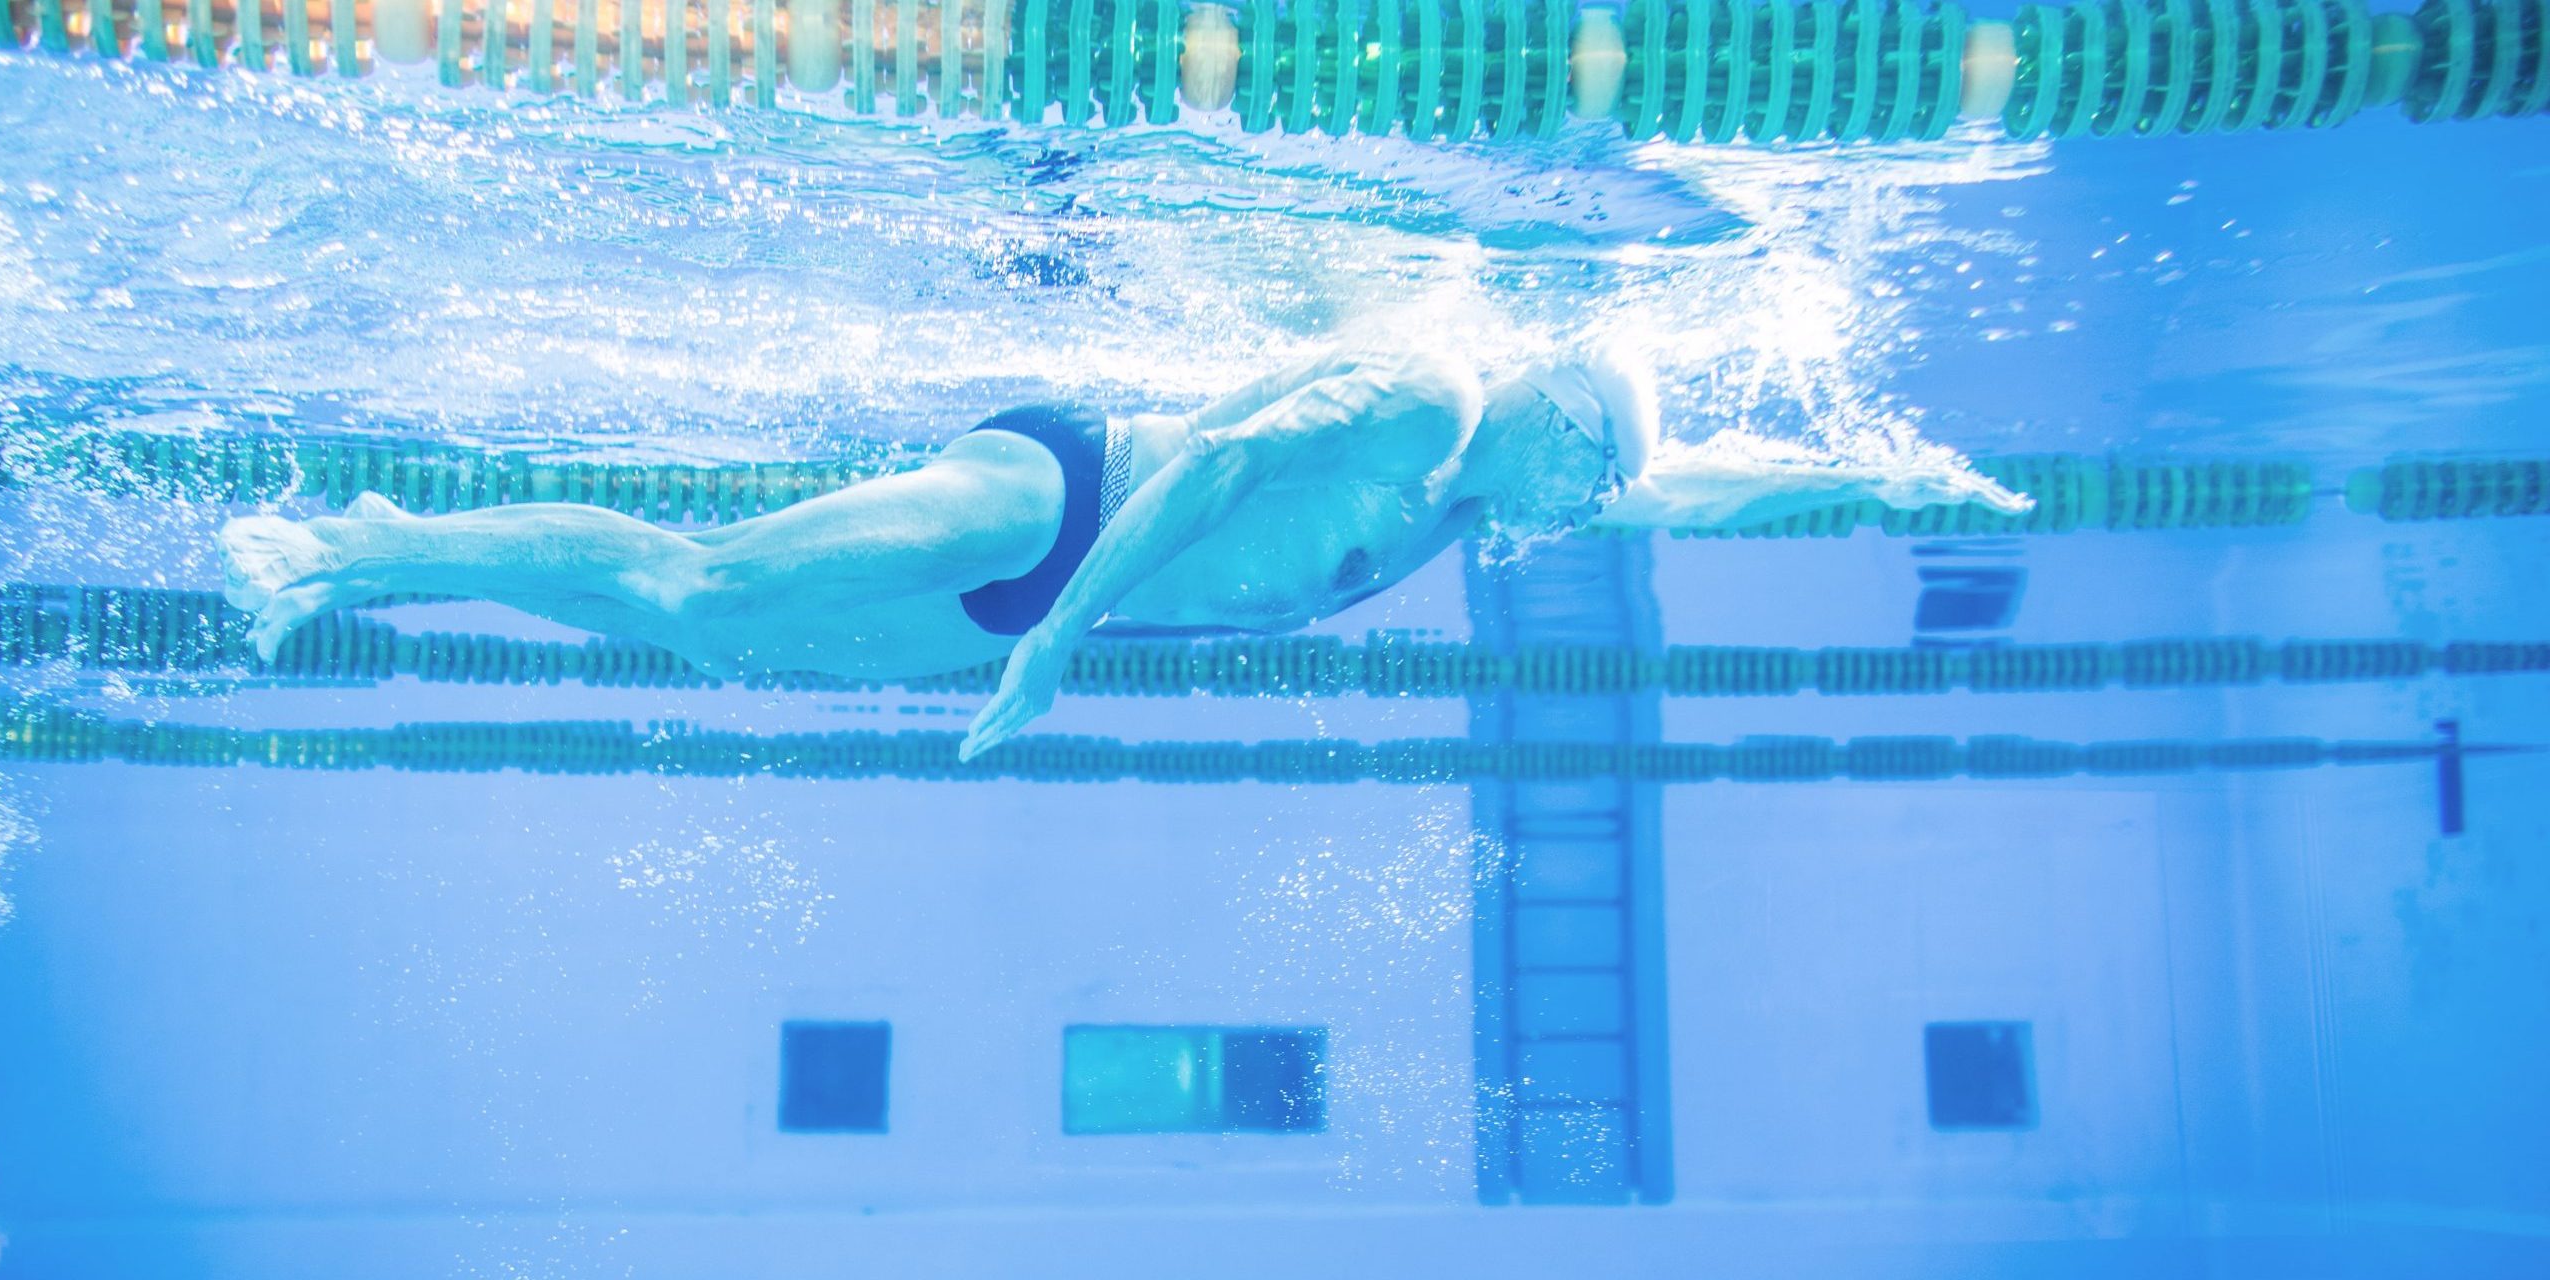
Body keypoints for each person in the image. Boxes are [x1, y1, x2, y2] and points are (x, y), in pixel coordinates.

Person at [219, 344, 2031, 760]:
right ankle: (339, 549)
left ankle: (391, 545)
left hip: (1069, 621)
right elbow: (1223, 459)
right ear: (1557, 418)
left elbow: (1707, 488)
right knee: (722, 580)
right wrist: (1058, 642)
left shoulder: (1520, 483)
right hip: (1070, 507)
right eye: (1586, 479)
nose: (1581, 520)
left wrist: (1893, 485)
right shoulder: (1431, 405)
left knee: (700, 639)